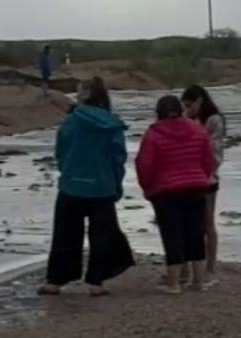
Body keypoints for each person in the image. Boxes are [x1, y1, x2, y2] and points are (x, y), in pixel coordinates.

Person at [38, 77, 134, 297]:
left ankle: (55, 281)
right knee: (102, 235)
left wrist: (67, 171)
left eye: (79, 90)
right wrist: (116, 184)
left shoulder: (71, 121)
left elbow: (60, 152)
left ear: (88, 93)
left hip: (72, 184)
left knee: (65, 234)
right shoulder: (112, 123)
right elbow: (117, 158)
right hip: (101, 186)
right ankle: (96, 282)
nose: (76, 94)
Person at [136, 95, 215, 294]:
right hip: (195, 186)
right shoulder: (197, 129)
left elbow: (144, 165)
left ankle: (174, 283)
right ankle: (198, 282)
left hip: (165, 191)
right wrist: (201, 177)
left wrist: (147, 187)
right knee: (196, 233)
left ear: (158, 112)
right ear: (180, 109)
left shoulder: (153, 133)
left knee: (172, 235)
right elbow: (208, 159)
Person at [181, 85, 225, 285]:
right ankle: (185, 269)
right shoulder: (186, 120)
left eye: (190, 105)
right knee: (188, 225)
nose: (187, 108)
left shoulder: (214, 120)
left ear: (199, 100)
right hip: (188, 178)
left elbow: (215, 154)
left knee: (207, 223)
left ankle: (210, 269)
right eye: (185, 106)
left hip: (207, 179)